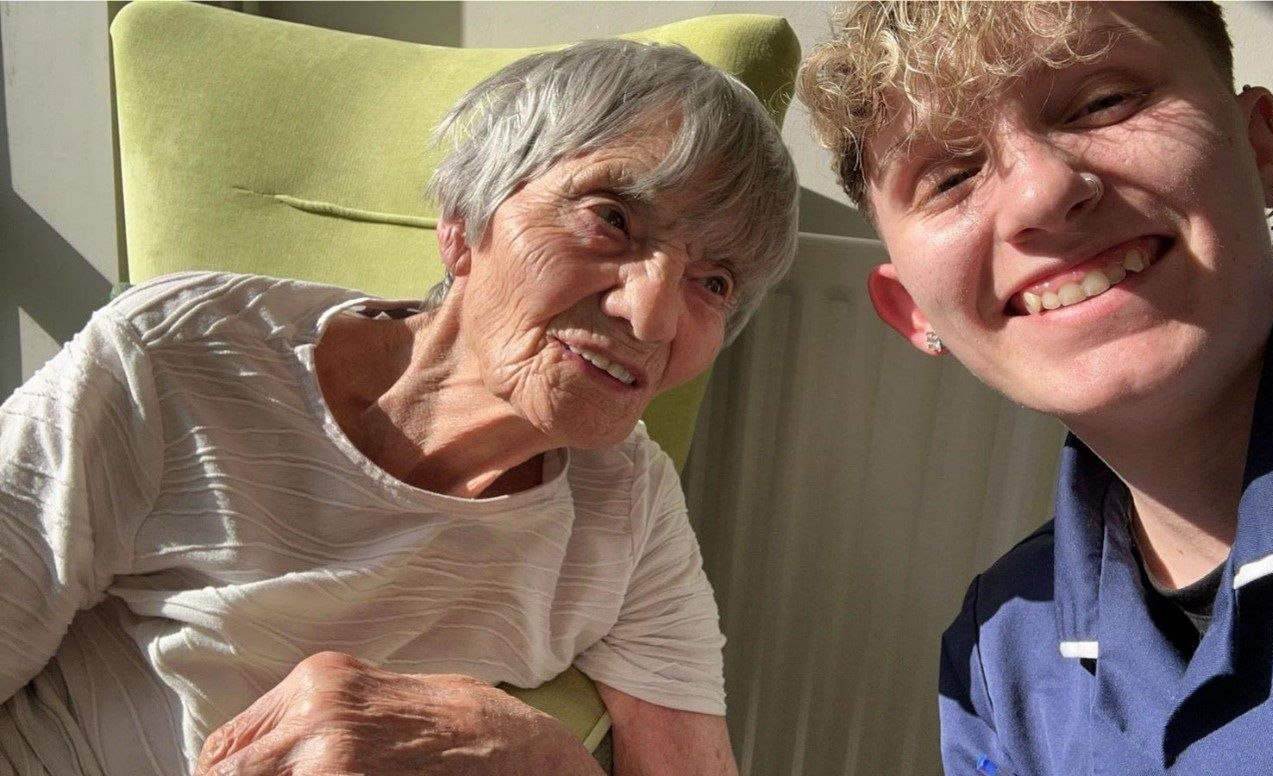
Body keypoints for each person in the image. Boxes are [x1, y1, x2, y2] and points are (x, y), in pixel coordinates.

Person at [0, 39, 797, 775]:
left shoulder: (627, 505)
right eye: (611, 218)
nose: (652, 315)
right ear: (461, 227)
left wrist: (541, 756)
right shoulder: (175, 361)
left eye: (713, 281)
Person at [800, 2, 1273, 774]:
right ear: (911, 312)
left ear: (1259, 145)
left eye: (1105, 101)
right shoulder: (998, 653)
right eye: (950, 175)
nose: (1042, 193)